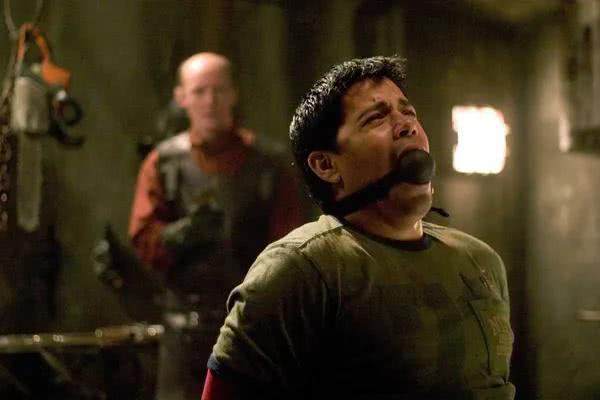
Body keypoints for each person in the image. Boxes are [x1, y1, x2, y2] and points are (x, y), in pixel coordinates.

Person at [202, 56, 515, 399]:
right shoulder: (299, 271)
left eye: (408, 112)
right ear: (326, 165)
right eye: (376, 117)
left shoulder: (480, 261)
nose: (406, 125)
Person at [128, 52, 304, 400]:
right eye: (199, 91)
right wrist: (180, 234)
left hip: (250, 330)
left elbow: (291, 250)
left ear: (233, 93)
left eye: (219, 90)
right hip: (184, 334)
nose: (210, 101)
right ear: (182, 97)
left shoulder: (268, 164)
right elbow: (143, 239)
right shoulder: (163, 163)